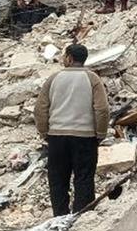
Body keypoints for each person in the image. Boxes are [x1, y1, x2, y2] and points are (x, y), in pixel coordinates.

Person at [35, 44, 108, 216]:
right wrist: (100, 134)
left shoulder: (54, 78)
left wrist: (45, 132)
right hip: (85, 137)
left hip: (57, 137)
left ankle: (59, 218)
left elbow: (40, 109)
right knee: (84, 179)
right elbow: (102, 109)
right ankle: (80, 218)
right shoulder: (92, 79)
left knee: (58, 180)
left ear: (68, 58)